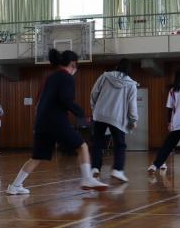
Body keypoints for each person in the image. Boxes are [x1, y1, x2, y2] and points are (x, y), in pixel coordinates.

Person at [7, 49, 108, 194]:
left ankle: (15, 186)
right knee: (82, 146)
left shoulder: (50, 78)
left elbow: (39, 101)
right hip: (56, 121)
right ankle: (87, 178)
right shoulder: (67, 78)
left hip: (41, 123)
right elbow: (65, 99)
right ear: (73, 63)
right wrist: (80, 113)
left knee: (37, 157)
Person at [90, 58, 138, 182]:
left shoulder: (105, 76)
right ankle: (117, 170)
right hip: (117, 117)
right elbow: (132, 105)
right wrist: (133, 120)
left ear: (117, 66)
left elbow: (94, 92)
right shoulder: (131, 84)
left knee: (97, 141)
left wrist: (94, 107)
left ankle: (95, 168)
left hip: (100, 114)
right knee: (120, 144)